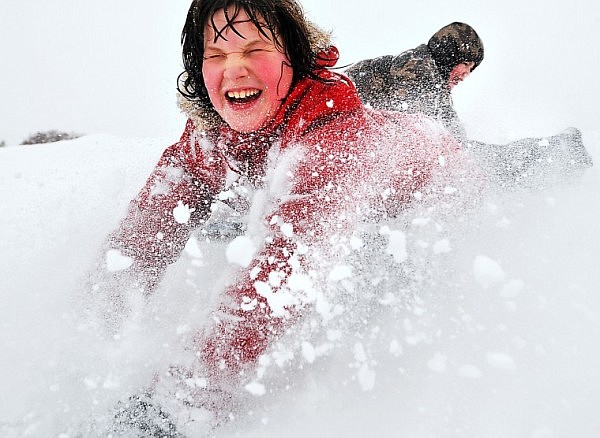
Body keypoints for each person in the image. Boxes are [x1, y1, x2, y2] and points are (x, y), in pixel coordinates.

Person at [87, 0, 474, 432]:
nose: (233, 69)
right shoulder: (214, 129)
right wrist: (92, 323)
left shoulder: (331, 138)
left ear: (295, 54)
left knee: (381, 276)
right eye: (215, 55)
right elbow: (150, 222)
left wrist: (174, 405)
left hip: (438, 175)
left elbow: (282, 274)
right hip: (369, 157)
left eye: (255, 49)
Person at [345, 22, 593, 187]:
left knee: (467, 159)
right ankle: (546, 156)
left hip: (361, 142)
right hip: (345, 135)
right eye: (465, 64)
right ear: (448, 54)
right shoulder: (416, 67)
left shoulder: (431, 79)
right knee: (465, 161)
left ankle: (545, 156)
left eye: (471, 69)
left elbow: (450, 132)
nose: (466, 74)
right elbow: (424, 128)